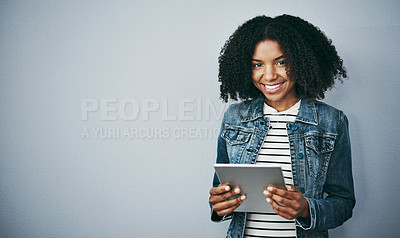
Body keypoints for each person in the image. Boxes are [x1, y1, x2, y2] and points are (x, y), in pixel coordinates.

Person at [208, 15, 355, 238]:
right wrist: (218, 206)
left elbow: (344, 203)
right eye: (258, 64)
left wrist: (306, 209)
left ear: (301, 61)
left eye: (281, 62)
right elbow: (219, 193)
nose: (269, 75)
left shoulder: (331, 121)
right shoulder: (234, 117)